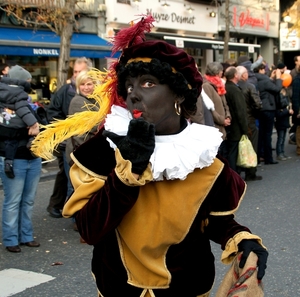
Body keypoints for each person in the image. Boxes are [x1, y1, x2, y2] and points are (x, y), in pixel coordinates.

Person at [32, 16, 268, 296]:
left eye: (147, 83)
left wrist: (242, 241)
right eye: (129, 85)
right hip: (119, 287)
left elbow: (215, 220)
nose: (133, 95)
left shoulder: (202, 155)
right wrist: (127, 173)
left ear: (178, 94)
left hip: (186, 288)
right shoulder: (105, 148)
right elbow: (89, 229)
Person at [0, 69, 42, 253]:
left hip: (33, 157)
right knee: (13, 200)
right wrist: (28, 127)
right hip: (14, 158)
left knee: (29, 200)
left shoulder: (28, 103)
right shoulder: (4, 105)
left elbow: (42, 125)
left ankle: (26, 235)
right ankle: (11, 239)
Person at [46, 57, 92, 218]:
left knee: (68, 178)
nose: (76, 75)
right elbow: (52, 112)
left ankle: (59, 206)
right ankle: (67, 211)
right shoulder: (66, 91)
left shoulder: (93, 93)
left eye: (80, 72)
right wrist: (64, 129)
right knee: (69, 179)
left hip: (79, 143)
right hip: (68, 142)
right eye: (76, 72)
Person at [0, 65, 40, 178]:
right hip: (18, 156)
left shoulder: (6, 94)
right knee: (16, 196)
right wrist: (33, 124)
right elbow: (23, 111)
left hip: (26, 155)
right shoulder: (19, 95)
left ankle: (8, 161)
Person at [236, 65, 262, 181]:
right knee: (252, 145)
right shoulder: (250, 86)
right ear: (244, 75)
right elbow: (257, 104)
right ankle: (251, 171)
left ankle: (239, 169)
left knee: (239, 146)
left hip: (237, 120)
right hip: (250, 119)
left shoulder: (232, 87)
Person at [254, 64, 282, 164]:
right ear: (261, 70)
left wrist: (271, 77)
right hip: (268, 108)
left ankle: (259, 156)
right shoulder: (265, 81)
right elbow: (277, 88)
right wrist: (278, 78)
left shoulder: (257, 79)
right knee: (267, 134)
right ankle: (268, 158)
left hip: (261, 109)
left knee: (261, 134)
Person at [224, 66, 248, 173]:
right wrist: (245, 128)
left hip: (229, 125)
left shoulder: (225, 87)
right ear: (235, 76)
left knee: (231, 150)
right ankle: (234, 174)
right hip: (236, 126)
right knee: (234, 151)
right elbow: (240, 111)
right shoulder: (235, 90)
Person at [291, 55, 300, 155]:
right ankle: (299, 148)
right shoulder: (297, 80)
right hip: (299, 109)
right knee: (299, 129)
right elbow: (296, 96)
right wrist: (297, 110)